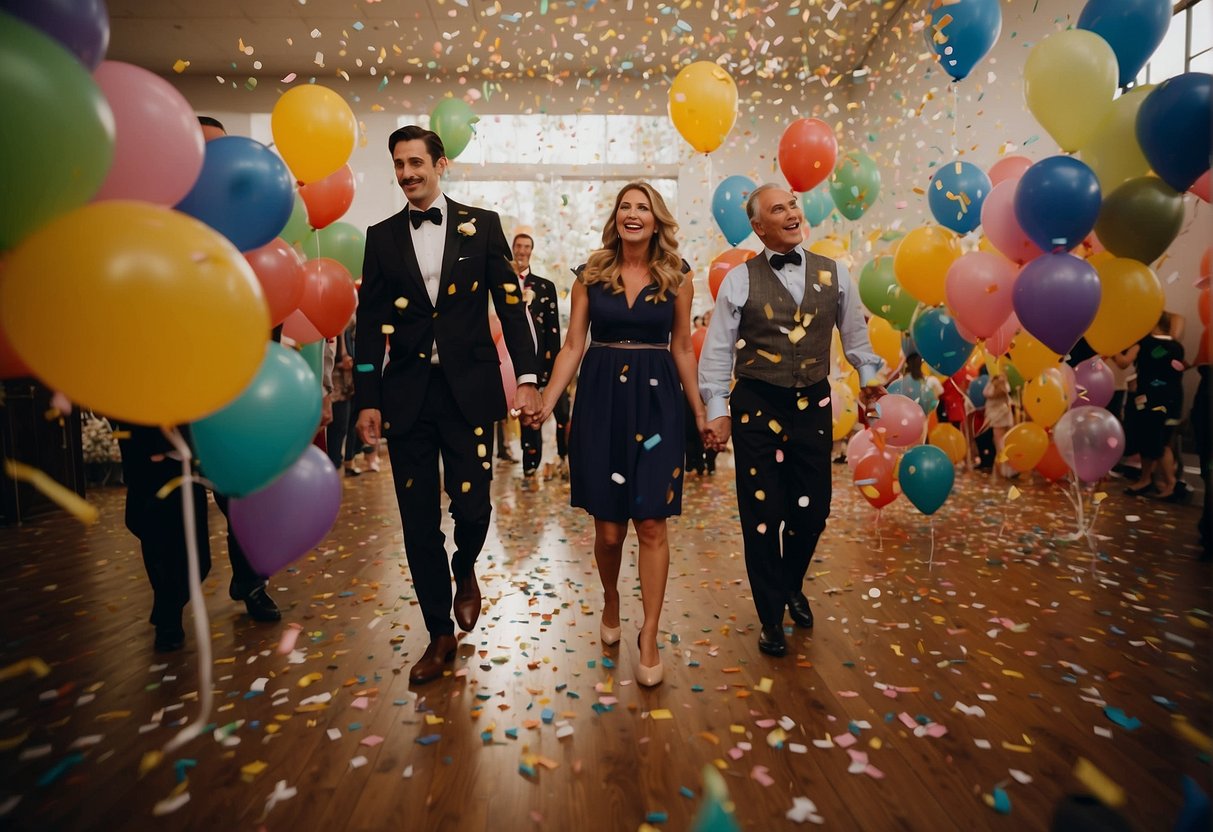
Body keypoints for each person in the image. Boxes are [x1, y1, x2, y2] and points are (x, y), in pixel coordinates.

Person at [354, 125, 542, 685]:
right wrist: (367, 396)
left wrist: (528, 377)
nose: (408, 173)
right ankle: (438, 632)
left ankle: (465, 569)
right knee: (417, 523)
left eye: (416, 162)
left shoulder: (480, 225)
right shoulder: (381, 235)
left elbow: (511, 306)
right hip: (407, 395)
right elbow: (368, 327)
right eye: (399, 165)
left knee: (475, 507)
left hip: (469, 393)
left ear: (440, 164)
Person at [527, 182, 706, 686]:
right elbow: (571, 346)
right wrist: (546, 398)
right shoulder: (591, 273)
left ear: (656, 219)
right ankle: (611, 599)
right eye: (625, 207)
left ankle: (648, 633)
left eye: (642, 207)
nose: (633, 214)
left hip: (657, 404)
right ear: (616, 218)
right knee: (609, 531)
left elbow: (684, 350)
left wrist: (699, 411)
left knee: (651, 523)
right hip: (602, 400)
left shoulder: (677, 275)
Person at [699, 184, 884, 658]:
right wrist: (717, 412)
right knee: (762, 517)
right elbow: (718, 352)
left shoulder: (834, 273)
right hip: (757, 405)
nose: (791, 212)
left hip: (814, 406)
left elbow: (855, 334)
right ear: (759, 227)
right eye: (778, 208)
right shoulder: (740, 281)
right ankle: (769, 616)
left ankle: (789, 586)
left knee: (814, 508)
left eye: (793, 204)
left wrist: (867, 376)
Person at [513, 232, 564, 484]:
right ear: (513, 249)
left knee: (559, 412)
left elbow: (552, 331)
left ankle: (564, 460)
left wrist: (554, 367)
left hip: (544, 363)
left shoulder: (545, 286)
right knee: (526, 416)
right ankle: (529, 467)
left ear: (531, 251)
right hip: (512, 365)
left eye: (526, 247)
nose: (522, 251)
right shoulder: (501, 284)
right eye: (519, 246)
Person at [1120, 312, 1185, 500]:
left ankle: (1169, 483)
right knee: (1160, 440)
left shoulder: (1144, 344)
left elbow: (1124, 363)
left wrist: (1111, 350)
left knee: (1153, 442)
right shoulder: (1176, 347)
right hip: (1171, 399)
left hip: (1149, 399)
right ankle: (1147, 479)